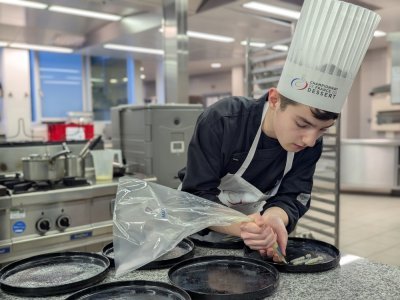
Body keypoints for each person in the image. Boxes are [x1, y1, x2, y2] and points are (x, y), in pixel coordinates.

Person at [179, 0, 381, 262]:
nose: (310, 140)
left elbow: (294, 193)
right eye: (302, 124)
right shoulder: (224, 119)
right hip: (200, 237)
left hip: (255, 240)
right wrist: (241, 226)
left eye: (323, 130)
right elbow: (195, 197)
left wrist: (275, 217)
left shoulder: (310, 142)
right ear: (274, 99)